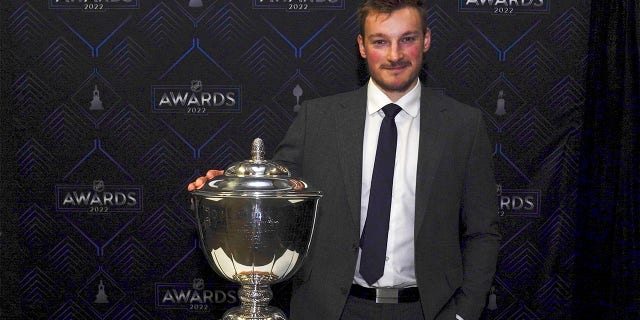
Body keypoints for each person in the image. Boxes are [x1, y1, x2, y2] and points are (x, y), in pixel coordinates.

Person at [188, 1, 500, 319]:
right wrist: (229, 191)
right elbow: (276, 197)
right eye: (380, 41)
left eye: (407, 38)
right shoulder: (317, 119)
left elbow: (482, 231)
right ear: (362, 46)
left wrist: (464, 312)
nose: (395, 55)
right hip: (330, 309)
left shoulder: (463, 126)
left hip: (427, 311)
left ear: (426, 40)